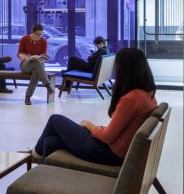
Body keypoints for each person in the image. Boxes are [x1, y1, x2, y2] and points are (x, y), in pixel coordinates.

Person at [30, 47, 158, 165]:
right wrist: (96, 129)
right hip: (117, 150)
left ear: (125, 69)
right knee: (50, 142)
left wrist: (89, 125)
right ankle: (45, 174)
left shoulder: (131, 99)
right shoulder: (147, 94)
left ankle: (34, 154)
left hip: (109, 153)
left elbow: (108, 136)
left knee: (55, 120)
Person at [17, 24, 55, 105]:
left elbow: (43, 55)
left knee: (35, 72)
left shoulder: (43, 41)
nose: (39, 36)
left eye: (41, 34)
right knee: (36, 65)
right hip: (26, 64)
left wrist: (40, 58)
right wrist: (26, 57)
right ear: (33, 32)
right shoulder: (25, 39)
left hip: (38, 65)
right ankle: (47, 85)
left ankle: (28, 97)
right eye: (38, 34)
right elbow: (19, 53)